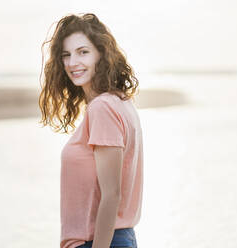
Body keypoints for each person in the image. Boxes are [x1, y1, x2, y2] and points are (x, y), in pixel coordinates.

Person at [38, 13, 143, 248]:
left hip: (98, 242)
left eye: (83, 52)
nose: (72, 62)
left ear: (101, 55)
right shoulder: (120, 102)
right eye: (66, 55)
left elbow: (112, 195)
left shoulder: (103, 107)